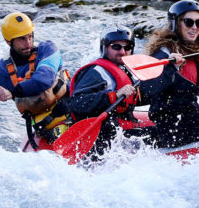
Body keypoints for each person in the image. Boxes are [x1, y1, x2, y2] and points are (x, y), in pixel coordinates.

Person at [0, 11, 69, 146]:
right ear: (9, 41)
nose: (28, 43)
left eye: (30, 36)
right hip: (45, 126)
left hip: (72, 109)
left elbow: (43, 80)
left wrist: (12, 92)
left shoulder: (48, 50)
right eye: (21, 39)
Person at [142, 0, 199, 148]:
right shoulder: (163, 53)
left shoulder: (197, 54)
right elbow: (148, 89)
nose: (194, 27)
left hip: (189, 118)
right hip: (168, 124)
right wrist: (171, 69)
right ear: (175, 23)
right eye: (189, 22)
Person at [59, 25, 145, 154]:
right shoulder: (95, 72)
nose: (122, 52)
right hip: (101, 134)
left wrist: (172, 69)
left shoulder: (126, 70)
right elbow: (77, 104)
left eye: (127, 47)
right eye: (116, 47)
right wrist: (114, 96)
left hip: (120, 125)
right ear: (105, 48)